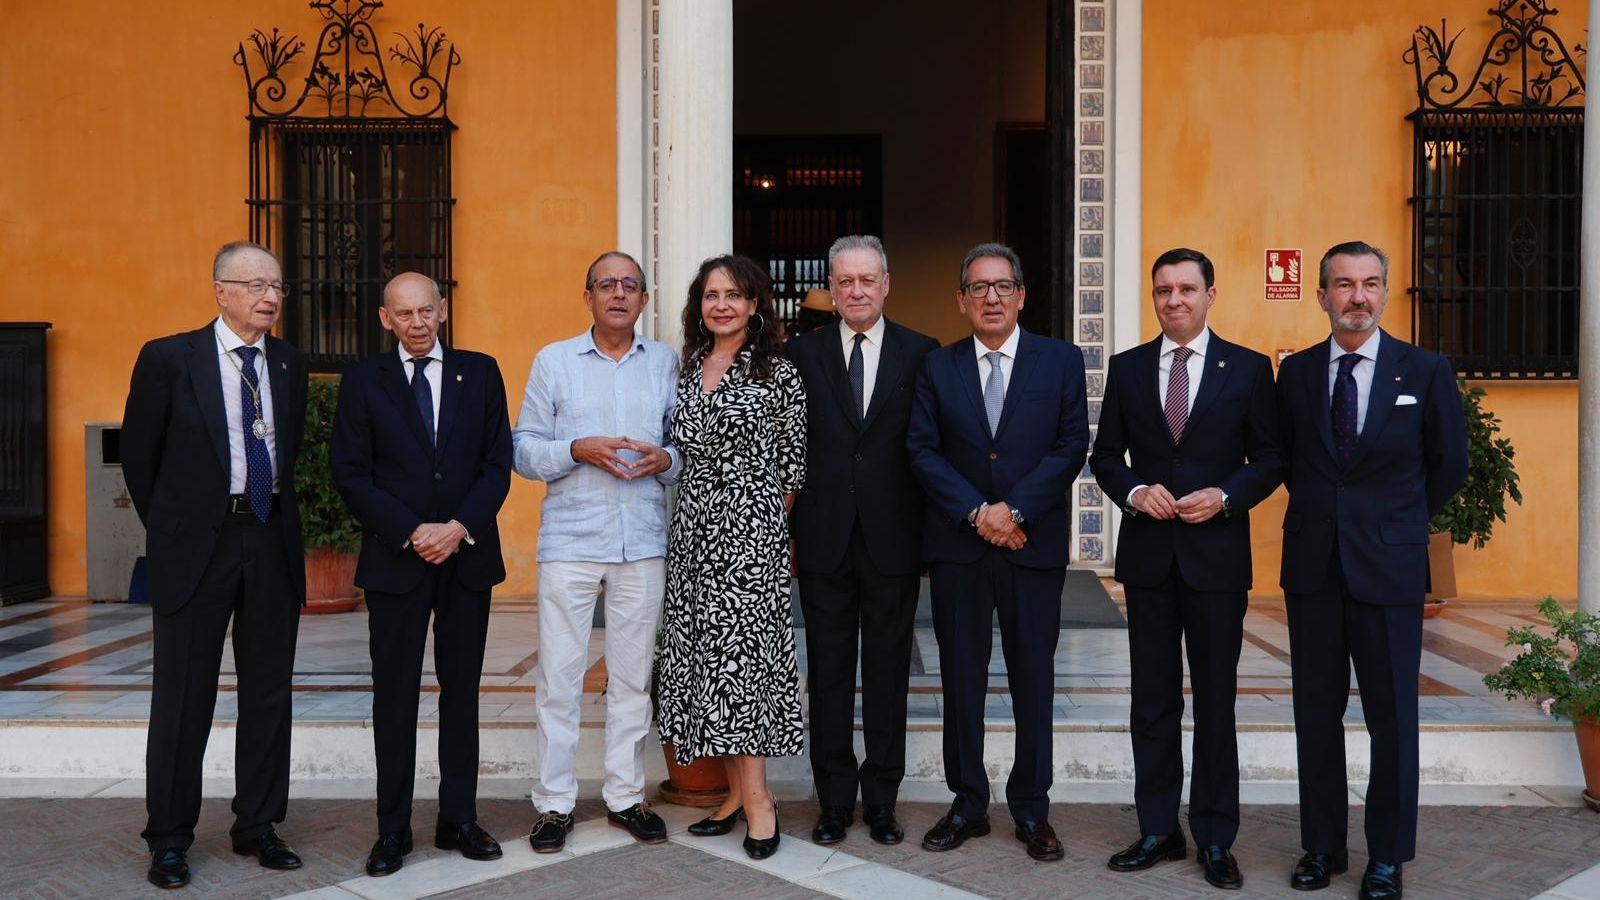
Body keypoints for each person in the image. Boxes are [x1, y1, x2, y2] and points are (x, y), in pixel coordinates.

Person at [1276, 241, 1467, 900]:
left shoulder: (1425, 369)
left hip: (1387, 569)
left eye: (1370, 283)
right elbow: (1287, 459)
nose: (1357, 296)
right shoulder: (1297, 375)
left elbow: (1449, 466)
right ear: (1322, 294)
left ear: (1384, 291)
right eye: (1343, 284)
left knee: (1393, 719)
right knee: (1315, 715)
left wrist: (1397, 525)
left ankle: (1386, 857)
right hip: (1313, 569)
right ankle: (1322, 847)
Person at [1090, 248, 1283, 890]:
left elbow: (1272, 458)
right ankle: (1156, 829)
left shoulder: (1251, 369)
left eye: (1186, 289)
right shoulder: (1128, 367)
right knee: (1152, 702)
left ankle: (1216, 836)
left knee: (1217, 703)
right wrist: (1134, 491)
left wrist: (1227, 496)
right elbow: (1106, 456)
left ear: (1210, 294)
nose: (1174, 300)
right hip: (1148, 559)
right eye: (1163, 290)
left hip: (1217, 560)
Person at [121, 241, 309, 889]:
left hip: (269, 539)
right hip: (197, 545)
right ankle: (169, 837)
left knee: (268, 692)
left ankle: (257, 824)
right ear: (220, 290)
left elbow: (288, 457)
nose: (269, 296)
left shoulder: (287, 362)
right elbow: (141, 461)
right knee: (182, 698)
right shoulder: (170, 358)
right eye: (255, 284)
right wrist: (179, 528)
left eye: (277, 285)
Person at [906, 242, 1089, 862]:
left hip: (1030, 545)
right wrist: (976, 512)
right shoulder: (938, 365)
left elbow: (1070, 447)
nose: (991, 297)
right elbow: (922, 449)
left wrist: (1014, 512)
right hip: (960, 548)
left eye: (1003, 286)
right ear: (961, 300)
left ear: (1021, 296)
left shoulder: (1061, 361)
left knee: (1033, 677)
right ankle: (967, 803)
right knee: (961, 678)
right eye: (979, 288)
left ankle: (1033, 808)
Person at [328, 273, 511, 876]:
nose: (416, 323)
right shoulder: (361, 381)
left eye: (425, 311)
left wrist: (456, 527)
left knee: (461, 693)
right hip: (396, 561)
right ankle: (392, 829)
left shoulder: (481, 371)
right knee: (395, 696)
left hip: (466, 557)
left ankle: (459, 818)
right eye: (403, 313)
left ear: (444, 310)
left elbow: (496, 466)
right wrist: (413, 531)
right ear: (385, 319)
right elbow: (351, 473)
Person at [512, 251, 678, 853]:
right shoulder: (554, 362)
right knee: (559, 677)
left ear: (644, 300)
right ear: (587, 297)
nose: (617, 294)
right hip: (571, 541)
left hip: (642, 542)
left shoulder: (665, 362)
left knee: (633, 679)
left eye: (628, 285)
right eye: (605, 285)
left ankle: (625, 797)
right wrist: (577, 447)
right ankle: (554, 803)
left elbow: (684, 447)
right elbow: (523, 448)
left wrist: (667, 461)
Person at [655, 254, 807, 860]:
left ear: (754, 305)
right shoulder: (690, 369)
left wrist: (770, 533)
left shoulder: (776, 371)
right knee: (711, 665)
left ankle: (760, 801)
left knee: (746, 668)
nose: (722, 304)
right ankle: (734, 796)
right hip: (693, 532)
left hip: (750, 534)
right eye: (712, 294)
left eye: (734, 295)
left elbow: (793, 464)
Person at [786, 235, 938, 846]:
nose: (855, 291)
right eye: (843, 281)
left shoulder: (921, 353)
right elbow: (789, 450)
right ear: (831, 286)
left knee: (886, 674)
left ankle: (881, 801)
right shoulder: (799, 353)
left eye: (866, 280)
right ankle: (832, 801)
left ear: (886, 284)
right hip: (822, 539)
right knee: (826, 675)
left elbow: (928, 450)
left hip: (893, 541)